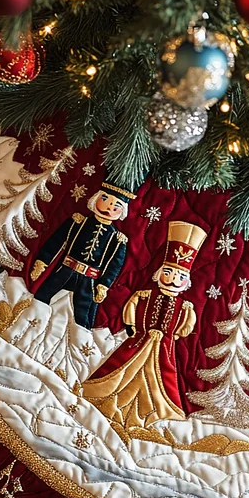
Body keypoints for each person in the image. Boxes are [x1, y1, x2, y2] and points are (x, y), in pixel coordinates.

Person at [83, 220, 207, 430]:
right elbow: (131, 307)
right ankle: (104, 391)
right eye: (168, 272)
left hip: (164, 347)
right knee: (121, 366)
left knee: (163, 376)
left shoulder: (185, 306)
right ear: (159, 273)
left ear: (186, 281)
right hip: (140, 339)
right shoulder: (144, 295)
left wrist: (177, 334)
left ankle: (159, 409)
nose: (173, 279)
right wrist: (130, 324)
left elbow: (187, 324)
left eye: (179, 276)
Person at [30, 182, 134, 329]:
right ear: (95, 198)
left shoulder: (118, 239)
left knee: (81, 317)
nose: (109, 208)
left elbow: (114, 265)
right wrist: (42, 262)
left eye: (116, 206)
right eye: (105, 200)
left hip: (88, 281)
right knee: (42, 298)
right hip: (64, 272)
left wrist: (104, 285)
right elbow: (56, 241)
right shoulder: (78, 222)